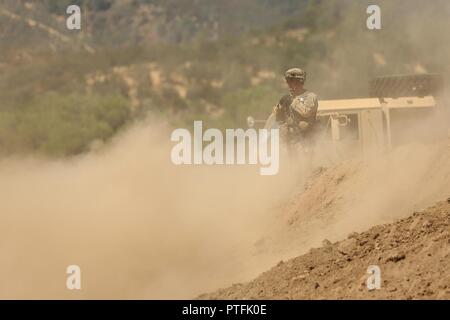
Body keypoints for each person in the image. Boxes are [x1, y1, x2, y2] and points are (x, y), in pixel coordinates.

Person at [273, 68, 319, 171]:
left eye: (291, 81)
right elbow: (278, 118)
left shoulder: (310, 97)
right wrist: (283, 127)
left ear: (300, 81)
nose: (289, 84)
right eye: (288, 81)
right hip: (290, 140)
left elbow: (306, 112)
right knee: (290, 168)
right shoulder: (285, 98)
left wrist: (294, 101)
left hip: (306, 139)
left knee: (306, 168)